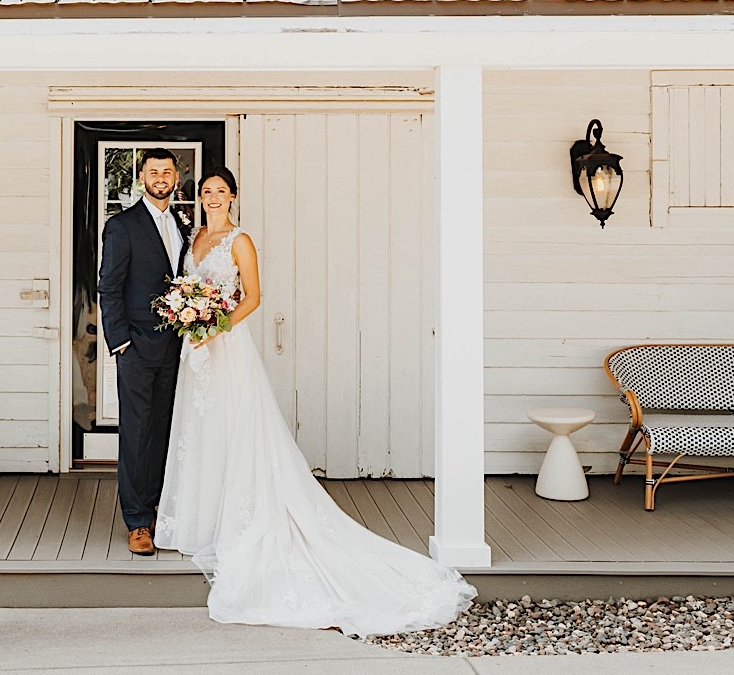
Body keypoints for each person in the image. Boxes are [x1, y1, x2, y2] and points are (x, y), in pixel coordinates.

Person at [153, 166, 476, 636]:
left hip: (226, 347)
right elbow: (187, 288)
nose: (213, 197)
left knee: (234, 426)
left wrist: (214, 326)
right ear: (199, 197)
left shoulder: (239, 241)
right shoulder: (195, 237)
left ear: (234, 196)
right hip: (196, 351)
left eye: (221, 191)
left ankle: (242, 519)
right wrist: (189, 319)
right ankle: (201, 520)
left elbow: (254, 297)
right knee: (200, 429)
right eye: (207, 191)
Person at [96, 148, 192, 555]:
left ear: (175, 178)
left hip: (176, 348)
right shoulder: (122, 226)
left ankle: (158, 510)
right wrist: (120, 343)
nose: (161, 177)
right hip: (135, 346)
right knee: (136, 433)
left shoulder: (182, 224)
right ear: (141, 178)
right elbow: (109, 287)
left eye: (167, 171)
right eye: (153, 171)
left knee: (164, 430)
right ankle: (137, 521)